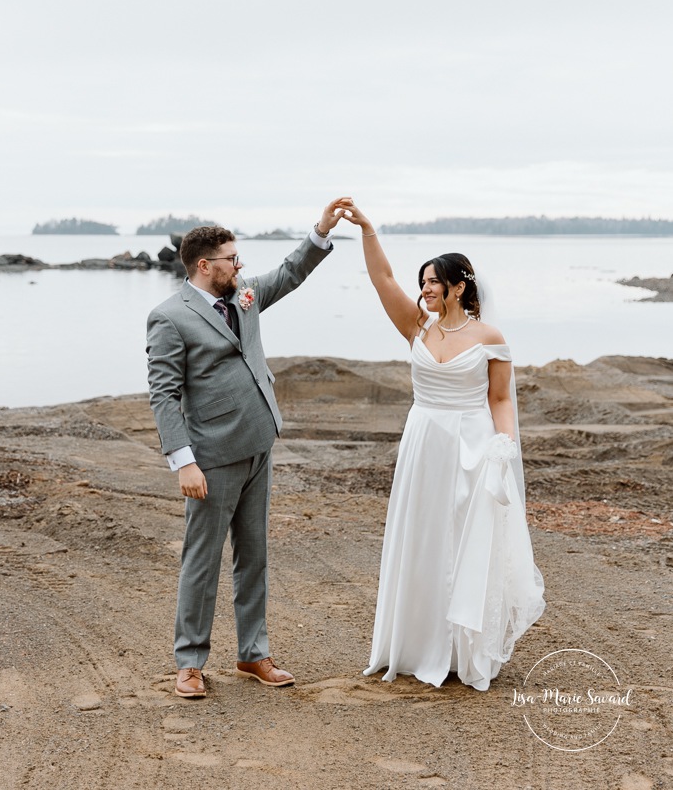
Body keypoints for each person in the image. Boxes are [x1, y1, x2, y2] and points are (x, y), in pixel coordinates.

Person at [147, 198, 348, 698]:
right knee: (203, 558)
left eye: (238, 259)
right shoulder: (169, 317)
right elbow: (164, 394)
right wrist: (184, 461)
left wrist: (321, 230)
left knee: (253, 556)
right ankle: (190, 662)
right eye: (231, 259)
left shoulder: (245, 294)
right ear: (204, 265)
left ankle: (253, 654)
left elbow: (289, 273)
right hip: (211, 456)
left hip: (260, 444)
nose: (240, 266)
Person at [341, 202, 545, 691]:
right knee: (424, 537)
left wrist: (505, 448)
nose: (425, 289)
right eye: (423, 282)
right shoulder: (417, 326)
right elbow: (382, 279)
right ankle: (416, 644)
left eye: (433, 282)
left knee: (464, 541)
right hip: (423, 443)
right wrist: (369, 230)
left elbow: (499, 399)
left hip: (473, 444)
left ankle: (461, 649)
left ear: (459, 286)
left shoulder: (489, 336)